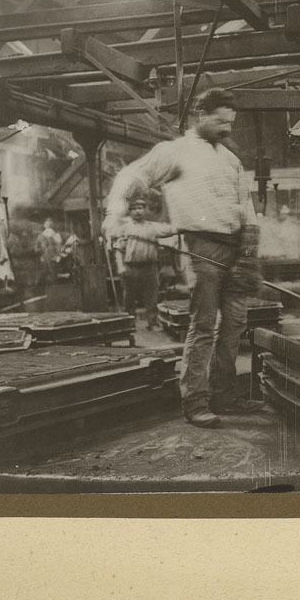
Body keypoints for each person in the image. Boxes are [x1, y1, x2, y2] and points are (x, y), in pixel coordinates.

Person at [104, 88, 264, 428]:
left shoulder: (231, 159)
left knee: (235, 324)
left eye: (231, 123)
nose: (227, 129)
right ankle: (195, 401)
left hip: (238, 250)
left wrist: (250, 247)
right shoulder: (174, 152)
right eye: (220, 121)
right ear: (200, 115)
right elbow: (130, 177)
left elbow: (246, 204)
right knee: (205, 324)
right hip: (202, 248)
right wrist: (113, 216)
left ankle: (225, 394)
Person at [112, 197, 173, 329]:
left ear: (145, 210)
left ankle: (153, 322)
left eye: (140, 208)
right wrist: (121, 267)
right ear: (130, 212)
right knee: (129, 297)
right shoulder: (124, 229)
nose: (137, 211)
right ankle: (129, 324)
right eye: (134, 209)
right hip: (131, 267)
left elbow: (170, 231)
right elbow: (118, 250)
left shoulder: (153, 227)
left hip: (150, 267)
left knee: (152, 296)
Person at [32, 217, 63, 290]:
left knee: (54, 275)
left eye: (49, 224)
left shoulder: (55, 235)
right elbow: (36, 249)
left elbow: (59, 246)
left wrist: (57, 255)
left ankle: (55, 290)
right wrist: (42, 250)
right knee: (44, 275)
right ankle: (40, 289)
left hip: (53, 258)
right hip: (44, 259)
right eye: (46, 224)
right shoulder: (40, 236)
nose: (48, 225)